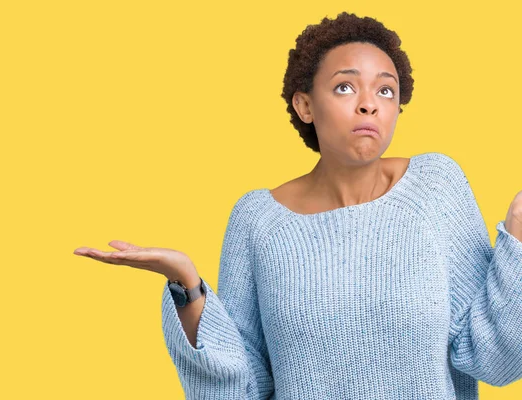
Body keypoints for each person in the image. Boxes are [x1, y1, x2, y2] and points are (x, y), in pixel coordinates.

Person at [73, 11, 522, 399]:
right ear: (305, 105)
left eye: (386, 91)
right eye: (346, 88)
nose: (369, 105)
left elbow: (491, 357)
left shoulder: (435, 186)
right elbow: (243, 387)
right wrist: (185, 283)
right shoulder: (257, 221)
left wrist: (517, 239)